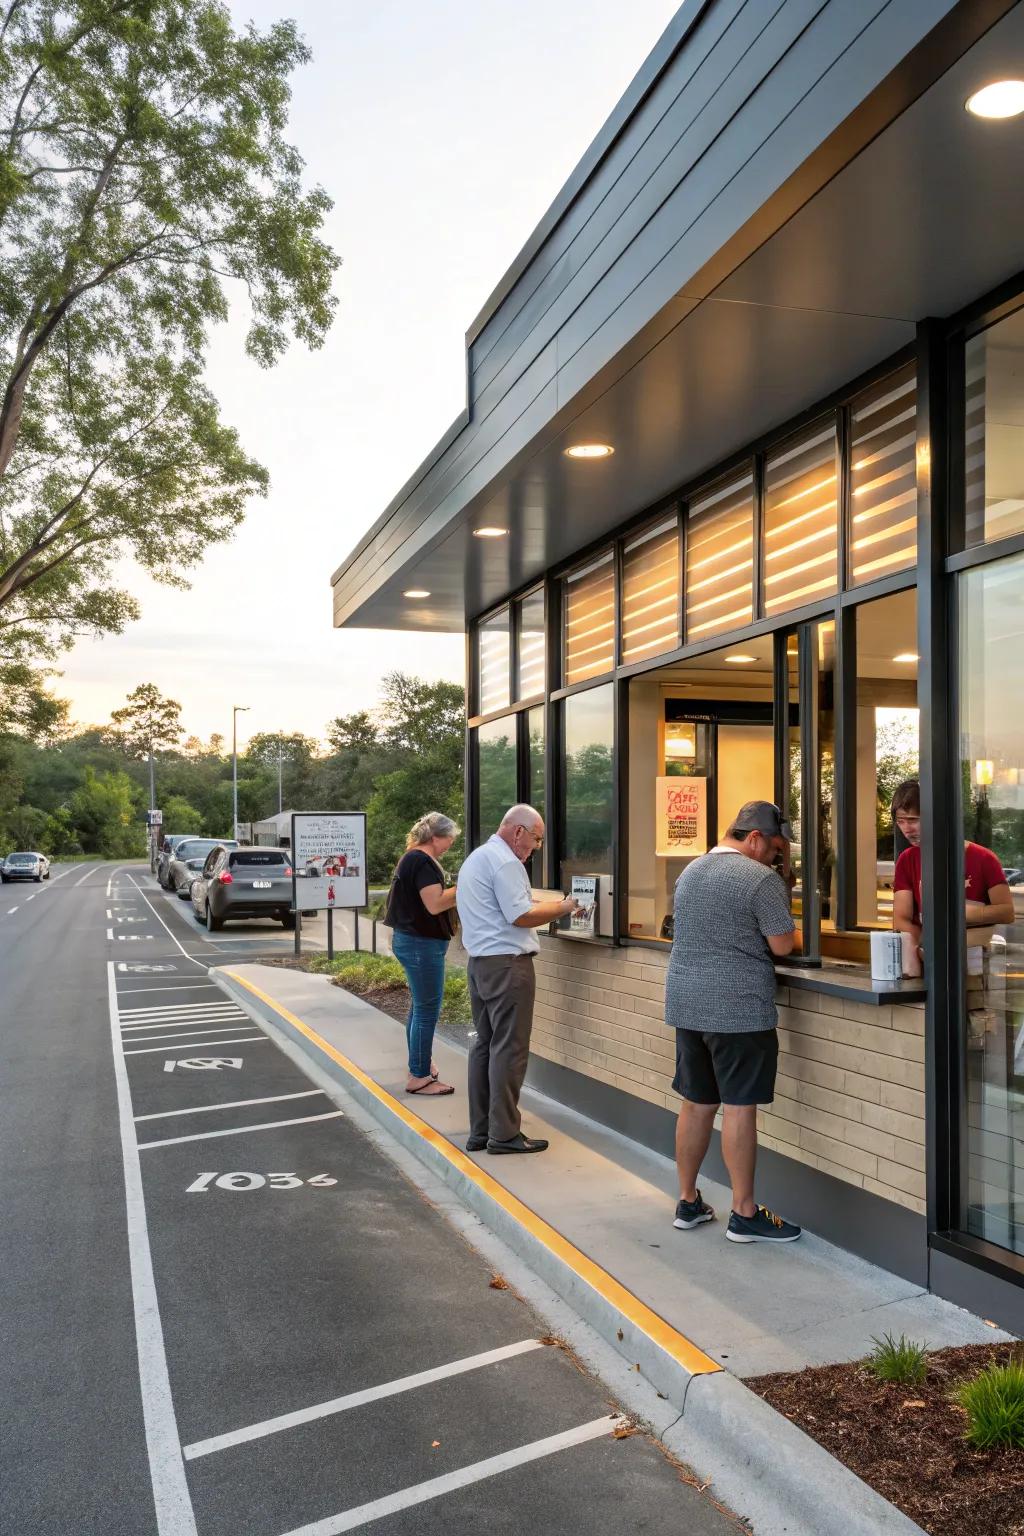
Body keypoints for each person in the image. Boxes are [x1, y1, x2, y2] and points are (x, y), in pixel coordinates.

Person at [667, 801, 802, 1245]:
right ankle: (743, 1212)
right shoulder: (758, 878)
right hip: (737, 1008)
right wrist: (799, 931)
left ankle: (688, 1202)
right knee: (740, 1106)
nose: (776, 858)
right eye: (776, 849)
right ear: (756, 838)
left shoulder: (692, 870)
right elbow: (782, 945)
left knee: (696, 1102)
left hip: (688, 1004)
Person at [456, 804, 577, 1154]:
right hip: (508, 966)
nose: (536, 847)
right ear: (518, 831)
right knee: (509, 1050)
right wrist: (566, 907)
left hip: (481, 964)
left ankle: (482, 1130)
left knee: (485, 1046)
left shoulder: (478, 858)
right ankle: (505, 1134)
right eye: (536, 838)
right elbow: (521, 916)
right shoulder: (506, 862)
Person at [385, 812, 461, 1097]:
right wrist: (465, 885)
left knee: (419, 1008)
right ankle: (419, 1076)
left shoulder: (412, 858)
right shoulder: (421, 860)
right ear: (435, 837)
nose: (450, 844)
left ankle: (419, 1064)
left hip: (414, 942)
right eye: (449, 839)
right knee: (427, 1010)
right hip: (421, 944)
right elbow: (435, 904)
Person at [891, 780, 1014, 951]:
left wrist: (961, 913)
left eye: (912, 820)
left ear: (936, 815)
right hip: (928, 954)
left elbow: (1007, 912)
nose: (906, 829)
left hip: (977, 954)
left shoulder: (984, 858)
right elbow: (900, 919)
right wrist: (930, 948)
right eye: (900, 821)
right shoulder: (907, 860)